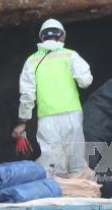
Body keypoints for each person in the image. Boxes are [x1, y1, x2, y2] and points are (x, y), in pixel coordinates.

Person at [13, 19, 93, 175]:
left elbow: (27, 95)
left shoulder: (32, 60)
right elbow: (85, 82)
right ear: (62, 36)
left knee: (53, 167)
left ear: (42, 37)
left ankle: (57, 195)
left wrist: (23, 121)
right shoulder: (70, 55)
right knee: (76, 163)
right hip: (72, 116)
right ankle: (80, 195)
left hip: (47, 120)